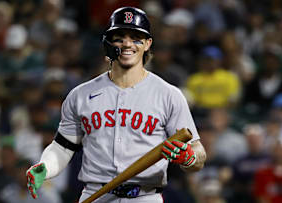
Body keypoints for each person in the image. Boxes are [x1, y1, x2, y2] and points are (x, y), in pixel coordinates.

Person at [26, 7, 206, 203]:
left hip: (145, 197)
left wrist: (189, 158)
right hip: (96, 195)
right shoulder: (80, 95)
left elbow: (197, 151)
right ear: (108, 43)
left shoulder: (168, 94)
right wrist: (46, 166)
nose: (127, 44)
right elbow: (62, 148)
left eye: (136, 37)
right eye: (119, 37)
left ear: (147, 44)